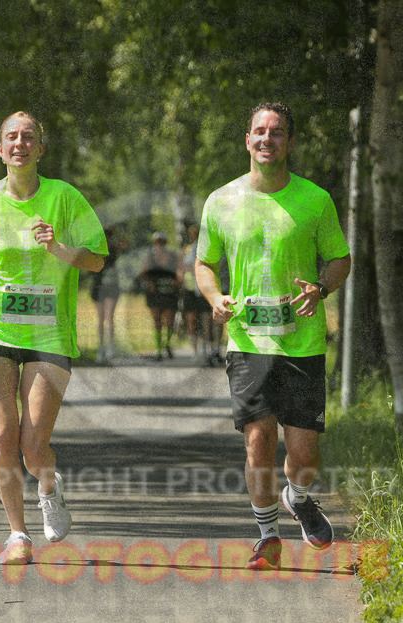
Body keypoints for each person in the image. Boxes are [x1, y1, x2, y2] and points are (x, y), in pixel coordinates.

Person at [195, 102, 351, 570]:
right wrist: (214, 296)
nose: (267, 139)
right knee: (258, 439)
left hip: (302, 342)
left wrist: (322, 288)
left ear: (290, 142)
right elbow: (203, 263)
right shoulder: (221, 200)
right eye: (259, 132)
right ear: (247, 141)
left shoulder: (315, 200)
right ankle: (267, 534)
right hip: (247, 342)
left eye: (277, 132)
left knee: (304, 452)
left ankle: (297, 496)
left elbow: (340, 259)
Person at [0, 111, 107, 565]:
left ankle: (49, 487)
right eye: (11, 138)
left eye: (29, 137)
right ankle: (17, 534)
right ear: (0, 151)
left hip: (49, 332)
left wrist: (58, 248)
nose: (19, 143)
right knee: (2, 435)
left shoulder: (65, 198)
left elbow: (96, 260)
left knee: (33, 445)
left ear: (40, 149)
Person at [139, 231, 180, 361]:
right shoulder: (150, 257)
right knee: (157, 322)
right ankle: (159, 350)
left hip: (169, 293)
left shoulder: (173, 256)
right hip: (155, 293)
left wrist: (177, 281)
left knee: (169, 321)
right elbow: (142, 273)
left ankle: (167, 345)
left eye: (161, 241)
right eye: (157, 241)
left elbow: (180, 271)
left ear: (165, 242)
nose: (159, 244)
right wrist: (149, 283)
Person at [176, 223, 213, 363]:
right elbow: (181, 267)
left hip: (203, 287)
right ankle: (195, 351)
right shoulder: (186, 249)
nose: (194, 236)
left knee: (206, 319)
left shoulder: (205, 247)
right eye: (192, 234)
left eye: (196, 233)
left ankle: (208, 348)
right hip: (190, 288)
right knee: (192, 320)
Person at [91, 227, 127, 364]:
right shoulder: (95, 248)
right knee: (100, 319)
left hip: (111, 286)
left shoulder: (113, 248)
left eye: (108, 235)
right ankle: (101, 347)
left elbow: (126, 244)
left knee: (109, 317)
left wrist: (116, 232)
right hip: (98, 286)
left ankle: (110, 348)